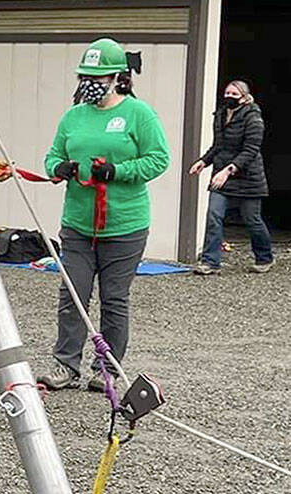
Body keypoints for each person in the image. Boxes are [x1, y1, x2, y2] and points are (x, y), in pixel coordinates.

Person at [37, 38, 169, 393]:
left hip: (124, 225)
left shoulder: (138, 114)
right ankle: (66, 365)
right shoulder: (73, 116)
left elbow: (159, 159)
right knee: (74, 295)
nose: (89, 82)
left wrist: (119, 171)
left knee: (114, 299)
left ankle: (106, 368)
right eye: (85, 75)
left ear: (117, 77)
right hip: (78, 224)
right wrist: (59, 167)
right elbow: (51, 157)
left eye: (98, 76)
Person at [190, 80, 273, 274]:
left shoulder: (253, 117)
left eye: (234, 94)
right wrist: (203, 161)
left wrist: (228, 170)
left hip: (248, 177)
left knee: (252, 220)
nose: (229, 97)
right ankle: (210, 262)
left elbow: (251, 149)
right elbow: (218, 145)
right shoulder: (220, 115)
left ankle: (264, 257)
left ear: (244, 97)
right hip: (221, 175)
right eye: (227, 93)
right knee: (214, 216)